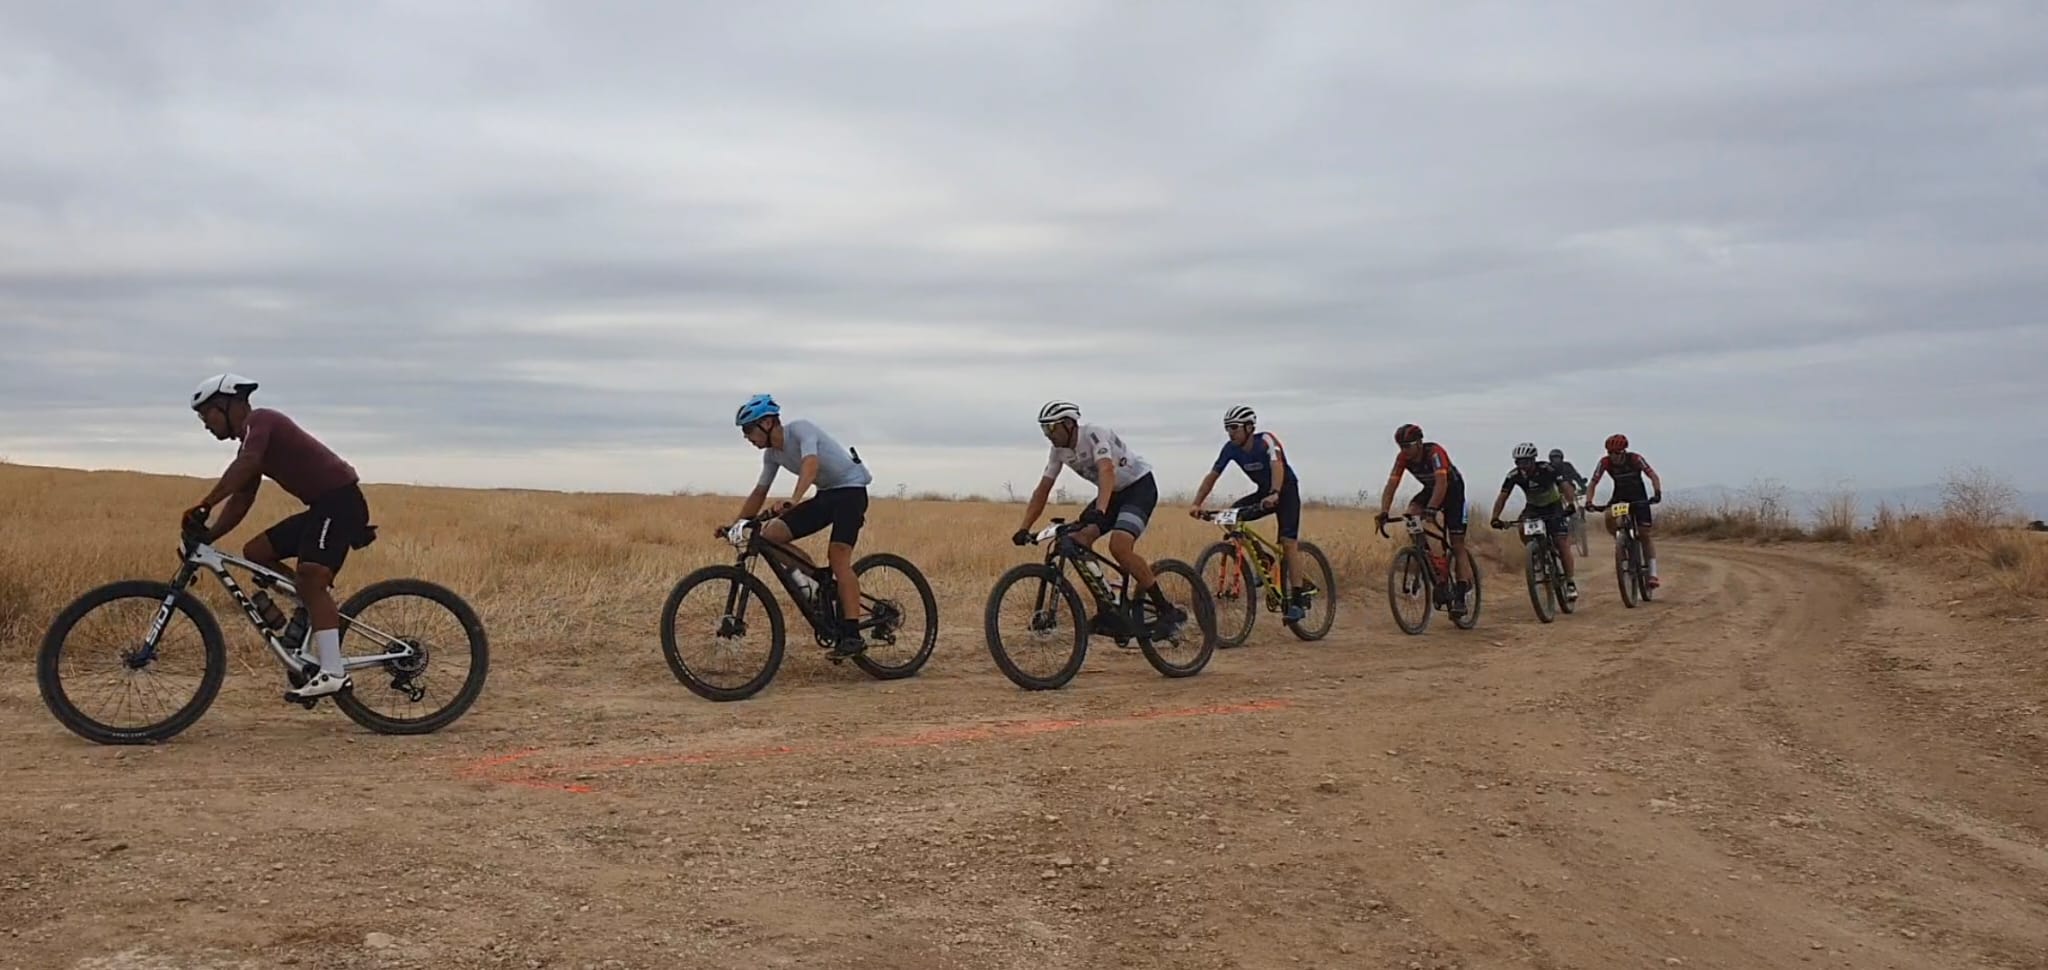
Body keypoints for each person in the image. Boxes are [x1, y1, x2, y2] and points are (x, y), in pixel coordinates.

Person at [183, 374, 373, 701]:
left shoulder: (261, 421)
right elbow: (242, 499)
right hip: (323, 507)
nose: (205, 425)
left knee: (311, 578)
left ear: (227, 404)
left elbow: (248, 464)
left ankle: (333, 672)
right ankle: (311, 608)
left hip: (340, 503)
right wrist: (208, 537)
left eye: (206, 415)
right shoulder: (250, 442)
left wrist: (205, 504)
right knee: (257, 552)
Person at [1014, 400, 1184, 639]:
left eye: (1051, 428)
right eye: (1044, 429)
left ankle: (1167, 611)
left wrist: (1101, 510)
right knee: (1077, 540)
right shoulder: (1058, 451)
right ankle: (1108, 607)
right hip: (1111, 494)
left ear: (1069, 424)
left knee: (1119, 546)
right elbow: (1043, 489)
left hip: (1138, 488)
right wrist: (1024, 528)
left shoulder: (1094, 434)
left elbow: (1106, 470)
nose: (1047, 434)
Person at [730, 394, 873, 657]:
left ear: (767, 423)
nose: (746, 437)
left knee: (838, 557)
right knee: (770, 536)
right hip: (827, 494)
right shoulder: (772, 455)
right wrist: (735, 525)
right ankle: (818, 584)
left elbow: (811, 464)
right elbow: (760, 491)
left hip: (851, 490)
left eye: (748, 429)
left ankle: (852, 635)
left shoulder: (800, 430)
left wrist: (794, 499)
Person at [1188, 405, 1307, 621]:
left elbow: (1277, 465)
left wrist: (1275, 493)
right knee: (1231, 518)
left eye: (1234, 427)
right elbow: (1212, 476)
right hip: (1264, 493)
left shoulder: (1266, 441)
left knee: (1288, 542)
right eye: (1227, 428)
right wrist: (1196, 504)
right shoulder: (1230, 449)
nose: (1230, 432)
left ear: (1249, 427)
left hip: (1285, 492)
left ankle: (1298, 600)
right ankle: (1264, 560)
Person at [1375, 423, 1472, 611]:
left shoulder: (1435, 453)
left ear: (1419, 443)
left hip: (1453, 491)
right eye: (1401, 447)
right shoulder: (1402, 458)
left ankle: (1461, 595)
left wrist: (1432, 509)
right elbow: (1391, 485)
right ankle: (1429, 557)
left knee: (1457, 544)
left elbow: (1442, 483)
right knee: (1411, 514)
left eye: (1407, 446)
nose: (1404, 450)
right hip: (1431, 490)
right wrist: (1384, 512)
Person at [1490, 442, 1580, 601]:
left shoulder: (1547, 469)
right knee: (1522, 528)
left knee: (1561, 542)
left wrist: (1571, 504)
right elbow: (1503, 497)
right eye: (1518, 462)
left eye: (1525, 462)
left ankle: (1570, 582)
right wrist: (1495, 517)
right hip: (1533, 508)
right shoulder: (1513, 475)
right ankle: (1536, 551)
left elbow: (1564, 486)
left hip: (1553, 506)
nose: (1522, 466)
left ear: (1533, 460)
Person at [1584, 433, 1665, 589]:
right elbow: (1593, 483)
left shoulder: (1635, 459)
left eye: (1616, 453)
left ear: (1623, 452)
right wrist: (1589, 501)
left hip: (1638, 496)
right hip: (1620, 496)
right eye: (1610, 453)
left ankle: (1653, 574)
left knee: (1644, 534)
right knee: (1609, 515)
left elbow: (1652, 475)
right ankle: (1621, 542)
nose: (1613, 456)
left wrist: (1657, 492)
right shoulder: (1605, 462)